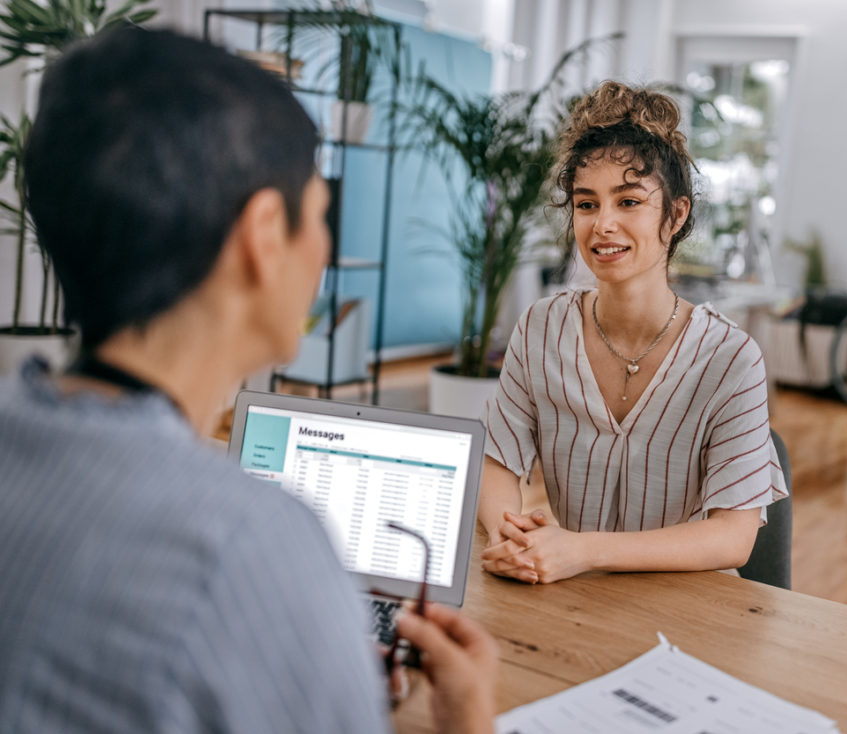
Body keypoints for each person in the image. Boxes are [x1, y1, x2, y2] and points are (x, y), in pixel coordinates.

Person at [0, 28, 496, 734]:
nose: (323, 249)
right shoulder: (248, 545)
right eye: (322, 215)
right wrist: (469, 720)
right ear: (264, 233)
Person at [478, 81, 788, 585]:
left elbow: (734, 537)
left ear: (676, 214)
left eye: (627, 202)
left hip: (693, 606)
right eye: (586, 204)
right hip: (578, 596)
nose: (602, 224)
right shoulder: (539, 329)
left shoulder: (732, 357)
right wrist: (507, 535)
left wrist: (583, 551)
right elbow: (497, 462)